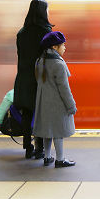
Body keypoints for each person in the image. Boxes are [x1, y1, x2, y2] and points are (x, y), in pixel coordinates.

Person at [14, 0, 53, 159]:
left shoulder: (21, 33)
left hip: (23, 77)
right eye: (47, 10)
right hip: (39, 78)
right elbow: (49, 56)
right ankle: (40, 148)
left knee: (27, 112)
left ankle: (27, 147)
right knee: (41, 113)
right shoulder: (45, 32)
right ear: (42, 12)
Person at [32, 31, 76, 168]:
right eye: (62, 45)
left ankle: (47, 157)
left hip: (43, 103)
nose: (64, 48)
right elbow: (64, 89)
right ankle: (60, 159)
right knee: (58, 132)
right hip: (57, 104)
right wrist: (71, 105)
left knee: (48, 130)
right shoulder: (59, 64)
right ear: (54, 47)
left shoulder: (40, 61)